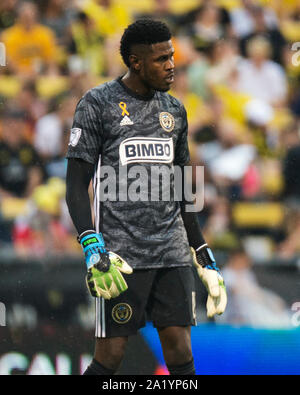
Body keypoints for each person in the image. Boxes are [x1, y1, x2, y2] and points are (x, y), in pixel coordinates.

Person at [65, 19, 227, 376]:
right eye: (161, 59)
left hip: (171, 250)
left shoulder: (176, 111)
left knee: (180, 348)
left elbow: (183, 187)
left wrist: (203, 254)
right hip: (120, 255)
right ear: (135, 62)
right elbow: (76, 185)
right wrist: (92, 246)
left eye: (172, 56)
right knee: (111, 356)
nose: (171, 65)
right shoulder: (97, 104)